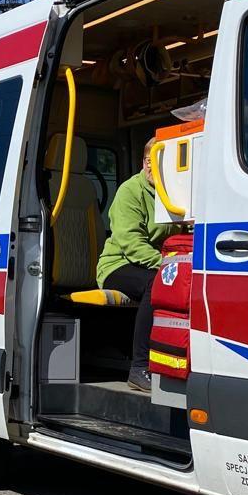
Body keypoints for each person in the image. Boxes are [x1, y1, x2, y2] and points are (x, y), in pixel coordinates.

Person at [96, 141, 173, 391]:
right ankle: (140, 368)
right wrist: (166, 265)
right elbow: (131, 243)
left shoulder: (174, 194)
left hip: (151, 265)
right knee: (158, 282)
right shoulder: (130, 191)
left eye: (159, 162)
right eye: (149, 161)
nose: (153, 167)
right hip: (117, 265)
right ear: (143, 162)